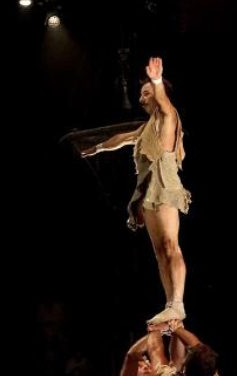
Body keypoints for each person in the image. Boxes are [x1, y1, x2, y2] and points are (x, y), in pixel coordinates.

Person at [81, 57, 191, 325]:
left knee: (170, 245)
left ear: (157, 93)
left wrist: (155, 80)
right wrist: (97, 148)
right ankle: (169, 304)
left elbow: (163, 103)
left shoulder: (168, 114)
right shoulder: (145, 127)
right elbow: (123, 138)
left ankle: (178, 303)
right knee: (159, 251)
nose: (142, 99)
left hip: (164, 179)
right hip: (147, 187)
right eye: (141, 94)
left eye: (146, 94)